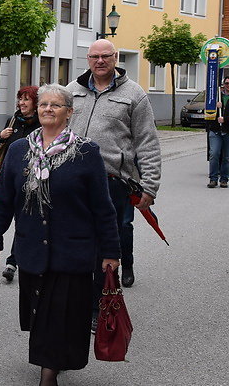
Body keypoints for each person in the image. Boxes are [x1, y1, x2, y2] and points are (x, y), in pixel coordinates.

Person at [0, 84, 121, 386]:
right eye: (43, 104)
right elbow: (4, 199)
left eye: (56, 105)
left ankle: (48, 373)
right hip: (32, 247)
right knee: (42, 312)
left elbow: (103, 208)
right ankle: (54, 358)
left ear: (69, 113)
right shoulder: (20, 149)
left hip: (72, 250)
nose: (47, 109)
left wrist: (111, 253)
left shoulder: (86, 152)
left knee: (59, 313)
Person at [67, 38, 160, 291]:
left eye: (105, 56)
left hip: (114, 181)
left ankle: (118, 273)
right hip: (75, 180)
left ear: (115, 58)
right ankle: (87, 292)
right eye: (94, 57)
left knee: (117, 230)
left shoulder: (134, 94)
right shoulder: (72, 91)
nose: (100, 61)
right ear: (87, 59)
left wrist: (149, 186)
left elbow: (147, 142)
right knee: (82, 237)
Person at [0, 85, 40, 283]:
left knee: (23, 219)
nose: (21, 103)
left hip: (33, 179)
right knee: (10, 215)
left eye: (26, 99)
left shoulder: (41, 124)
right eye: (20, 99)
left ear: (35, 102)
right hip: (10, 178)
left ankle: (12, 262)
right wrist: (0, 137)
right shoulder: (12, 121)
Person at [206, 76, 229, 188]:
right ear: (223, 84)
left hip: (227, 131)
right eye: (226, 83)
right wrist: (215, 107)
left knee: (226, 157)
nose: (228, 85)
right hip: (215, 130)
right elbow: (208, 112)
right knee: (214, 154)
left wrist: (225, 119)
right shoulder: (215, 97)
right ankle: (213, 179)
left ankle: (224, 179)